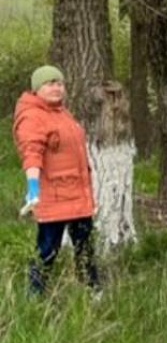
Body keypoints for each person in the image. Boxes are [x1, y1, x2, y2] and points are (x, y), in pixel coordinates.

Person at [13, 66, 101, 296]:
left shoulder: (63, 113)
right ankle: (35, 298)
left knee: (85, 249)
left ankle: (93, 294)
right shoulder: (32, 116)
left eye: (59, 83)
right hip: (55, 199)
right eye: (50, 83)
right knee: (47, 251)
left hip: (78, 199)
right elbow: (31, 153)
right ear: (37, 88)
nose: (56, 88)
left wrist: (90, 196)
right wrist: (33, 189)